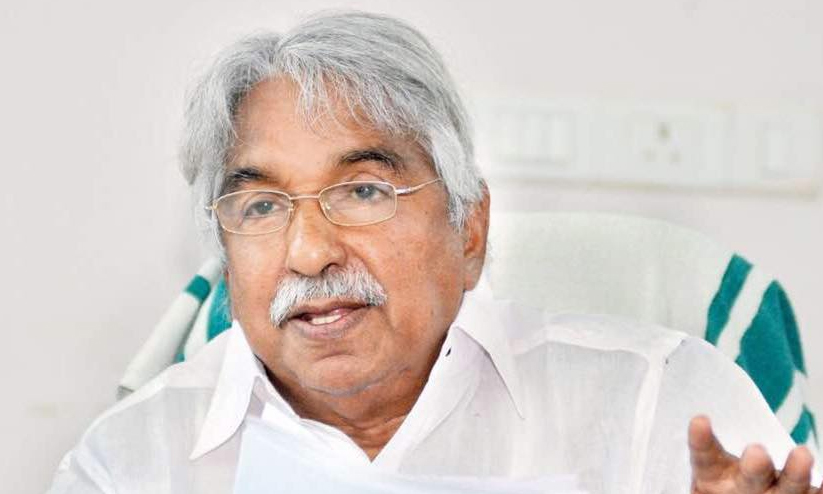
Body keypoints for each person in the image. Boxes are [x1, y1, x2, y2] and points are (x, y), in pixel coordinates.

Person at [49, 10, 820, 494]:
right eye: (261, 206)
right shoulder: (131, 462)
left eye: (362, 191)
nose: (309, 254)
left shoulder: (663, 400)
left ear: (469, 230)